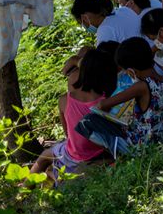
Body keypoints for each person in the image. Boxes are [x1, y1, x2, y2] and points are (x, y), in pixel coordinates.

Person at [30, 49, 116, 181]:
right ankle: (55, 176)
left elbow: (67, 134)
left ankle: (24, 189)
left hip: (72, 154)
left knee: (45, 156)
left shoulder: (64, 100)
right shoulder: (106, 102)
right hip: (99, 156)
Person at [95, 38, 163, 147]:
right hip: (162, 139)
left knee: (89, 120)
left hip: (142, 145)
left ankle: (115, 154)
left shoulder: (141, 86)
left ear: (131, 72)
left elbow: (102, 105)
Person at [71, 0, 140, 45]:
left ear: (85, 18)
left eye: (81, 23)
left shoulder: (104, 30)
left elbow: (104, 62)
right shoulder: (124, 10)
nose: (84, 26)